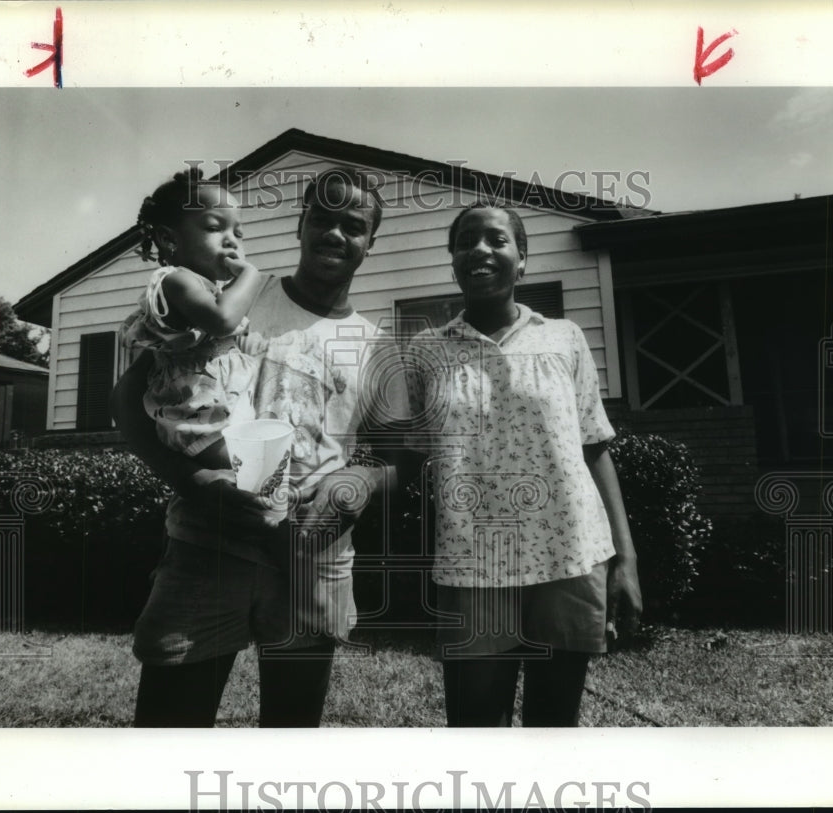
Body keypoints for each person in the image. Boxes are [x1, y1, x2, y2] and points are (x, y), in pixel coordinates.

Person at [111, 167, 406, 727]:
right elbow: (128, 403)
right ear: (301, 223)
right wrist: (191, 481)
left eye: (355, 225)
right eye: (323, 217)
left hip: (313, 557)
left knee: (291, 733)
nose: (336, 234)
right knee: (168, 729)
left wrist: (356, 485)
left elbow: (401, 463)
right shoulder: (225, 296)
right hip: (207, 543)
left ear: (370, 242)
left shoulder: (378, 345)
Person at [405, 202, 643, 727]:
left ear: (523, 261)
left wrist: (625, 559)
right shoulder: (425, 352)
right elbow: (409, 457)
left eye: (496, 240)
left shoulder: (564, 339)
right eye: (466, 242)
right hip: (474, 563)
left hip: (571, 555)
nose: (480, 251)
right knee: (475, 730)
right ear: (453, 261)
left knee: (553, 727)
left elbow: (594, 445)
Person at [119, 168, 267, 471]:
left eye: (238, 233)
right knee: (254, 472)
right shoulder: (176, 281)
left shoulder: (213, 290)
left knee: (259, 478)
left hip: (223, 406)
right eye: (215, 228)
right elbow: (222, 321)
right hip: (197, 414)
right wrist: (251, 274)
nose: (232, 242)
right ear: (168, 238)